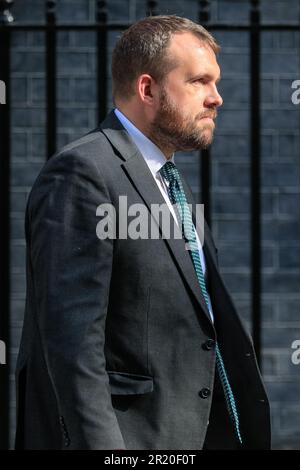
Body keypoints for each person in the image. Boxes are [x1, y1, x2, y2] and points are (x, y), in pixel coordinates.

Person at [15, 15, 271, 450]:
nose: (217, 98)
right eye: (199, 82)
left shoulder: (170, 180)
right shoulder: (83, 172)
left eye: (216, 82)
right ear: (148, 89)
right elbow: (74, 345)